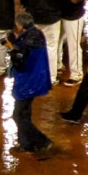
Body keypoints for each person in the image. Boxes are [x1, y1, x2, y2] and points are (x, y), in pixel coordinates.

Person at [5, 12, 53, 156]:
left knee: (18, 116)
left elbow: (19, 62)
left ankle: (42, 141)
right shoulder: (37, 33)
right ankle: (26, 144)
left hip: (28, 83)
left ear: (20, 26)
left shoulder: (26, 41)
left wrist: (11, 48)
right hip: (37, 79)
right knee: (24, 114)